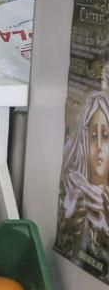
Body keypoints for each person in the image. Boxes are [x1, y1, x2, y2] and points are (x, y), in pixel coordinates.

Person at [57, 85, 109, 265]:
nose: (100, 147)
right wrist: (70, 227)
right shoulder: (73, 193)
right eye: (93, 136)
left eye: (106, 136)